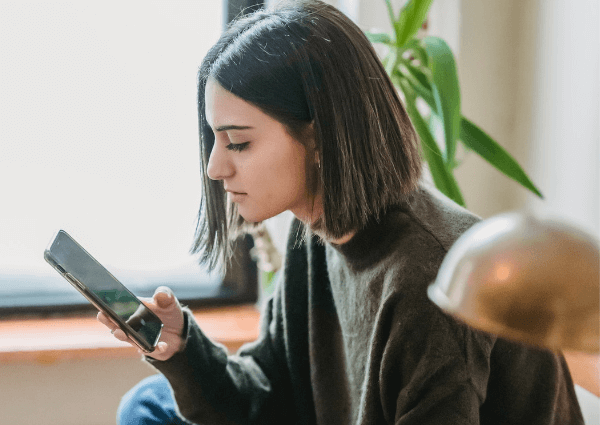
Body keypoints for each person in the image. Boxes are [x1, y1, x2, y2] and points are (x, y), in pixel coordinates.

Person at [98, 1, 584, 424]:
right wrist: (181, 346)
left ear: (318, 137)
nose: (214, 167)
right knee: (150, 405)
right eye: (215, 139)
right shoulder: (315, 233)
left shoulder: (428, 275)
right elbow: (267, 399)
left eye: (238, 143)